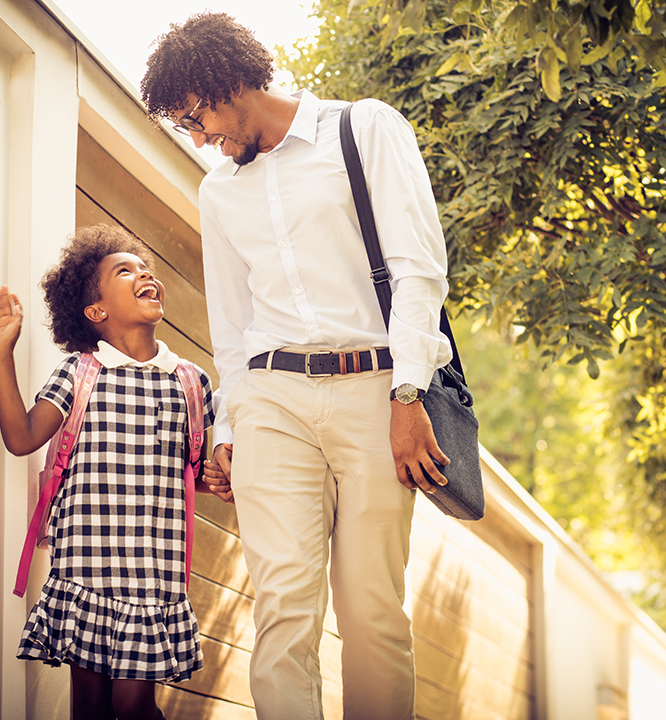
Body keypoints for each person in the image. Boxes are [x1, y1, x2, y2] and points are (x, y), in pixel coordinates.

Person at [140, 13, 453, 720]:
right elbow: (233, 329)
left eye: (196, 116)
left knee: (372, 609)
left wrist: (408, 394)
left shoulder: (364, 129)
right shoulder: (219, 191)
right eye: (182, 127)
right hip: (273, 400)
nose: (198, 138)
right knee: (282, 605)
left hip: (378, 390)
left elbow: (418, 273)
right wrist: (229, 428)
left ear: (232, 79)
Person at [0, 224, 231, 720]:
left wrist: (221, 479)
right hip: (85, 569)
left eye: (147, 270)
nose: (145, 275)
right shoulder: (80, 372)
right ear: (96, 312)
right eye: (126, 271)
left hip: (152, 575)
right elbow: (21, 437)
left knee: (133, 704)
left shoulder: (189, 381)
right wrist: (1, 355)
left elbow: (196, 472)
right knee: (91, 706)